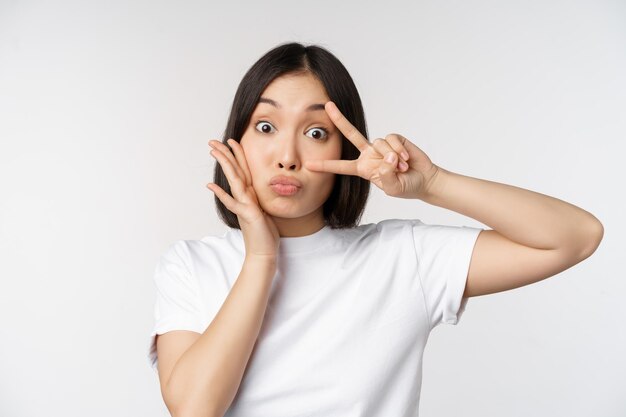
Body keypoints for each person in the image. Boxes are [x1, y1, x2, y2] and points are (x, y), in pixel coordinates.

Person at [147, 42, 604, 417]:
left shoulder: (401, 257)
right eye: (265, 126)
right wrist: (262, 258)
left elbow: (575, 236)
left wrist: (433, 184)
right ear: (235, 142)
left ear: (345, 149)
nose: (286, 155)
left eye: (315, 132)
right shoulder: (191, 265)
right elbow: (194, 408)